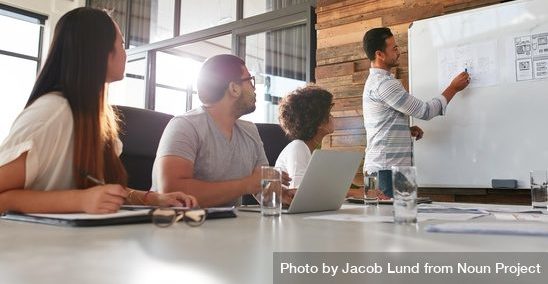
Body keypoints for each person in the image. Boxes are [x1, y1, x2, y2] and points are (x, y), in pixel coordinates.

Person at [0, 7, 197, 214]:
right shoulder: (52, 112)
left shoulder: (98, 117)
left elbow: (102, 191)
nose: (125, 52)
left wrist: (152, 199)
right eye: (121, 44)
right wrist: (80, 201)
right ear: (99, 51)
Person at [152, 54, 289, 208]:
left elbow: (260, 185)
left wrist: (283, 195)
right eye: (250, 80)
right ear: (234, 88)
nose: (254, 87)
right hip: (178, 226)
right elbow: (172, 192)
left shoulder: (250, 131)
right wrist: (246, 184)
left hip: (228, 226)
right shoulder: (184, 126)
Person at [362, 27, 470, 175]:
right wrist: (453, 88)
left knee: (406, 199)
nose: (398, 52)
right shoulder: (384, 84)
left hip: (392, 169)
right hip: (386, 171)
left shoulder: (377, 81)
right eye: (394, 48)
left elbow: (383, 123)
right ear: (379, 54)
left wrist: (404, 132)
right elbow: (426, 111)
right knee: (397, 200)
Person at [275, 85, 334, 188]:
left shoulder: (313, 149)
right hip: (287, 204)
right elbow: (298, 192)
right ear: (319, 121)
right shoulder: (298, 147)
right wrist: (352, 193)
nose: (332, 117)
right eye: (329, 114)